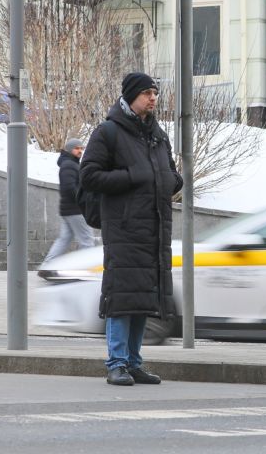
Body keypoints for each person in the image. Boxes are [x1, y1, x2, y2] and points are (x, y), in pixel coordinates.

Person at [80, 72, 183, 387]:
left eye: (155, 93)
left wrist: (172, 181)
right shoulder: (108, 132)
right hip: (124, 229)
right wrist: (132, 176)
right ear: (130, 96)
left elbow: (170, 174)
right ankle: (116, 363)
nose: (153, 98)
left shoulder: (157, 134)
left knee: (143, 300)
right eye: (147, 93)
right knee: (122, 298)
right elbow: (89, 176)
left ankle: (134, 363)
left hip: (153, 229)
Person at [41, 138, 96, 270]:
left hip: (69, 210)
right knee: (87, 240)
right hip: (76, 209)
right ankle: (85, 269)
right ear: (69, 149)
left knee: (64, 239)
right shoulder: (69, 165)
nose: (80, 151)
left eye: (81, 148)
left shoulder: (70, 164)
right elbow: (69, 188)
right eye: (77, 148)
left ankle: (47, 265)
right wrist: (84, 199)